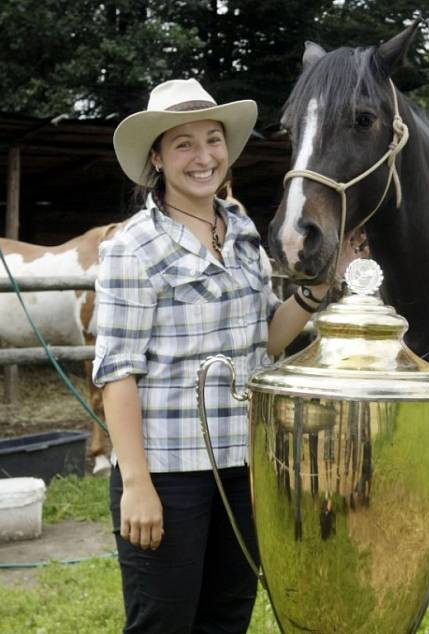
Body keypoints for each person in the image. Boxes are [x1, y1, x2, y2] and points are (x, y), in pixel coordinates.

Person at [93, 78, 336, 633]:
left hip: (244, 465)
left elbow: (264, 340)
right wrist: (136, 484)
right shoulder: (132, 247)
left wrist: (317, 290)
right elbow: (117, 373)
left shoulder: (243, 230)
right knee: (164, 620)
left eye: (213, 140)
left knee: (228, 616)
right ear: (157, 157)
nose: (203, 157)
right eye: (183, 144)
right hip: (169, 472)